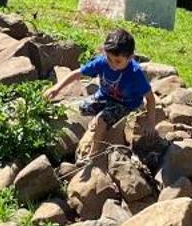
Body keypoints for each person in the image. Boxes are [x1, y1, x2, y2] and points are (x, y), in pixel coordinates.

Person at [50, 26, 157, 159]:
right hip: (105, 96)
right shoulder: (102, 62)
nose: (112, 64)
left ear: (130, 57)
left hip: (126, 104)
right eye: (109, 58)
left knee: (102, 120)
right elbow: (78, 73)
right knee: (83, 108)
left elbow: (150, 98)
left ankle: (92, 154)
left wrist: (150, 121)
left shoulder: (135, 73)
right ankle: (100, 118)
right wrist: (57, 88)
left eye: (117, 61)